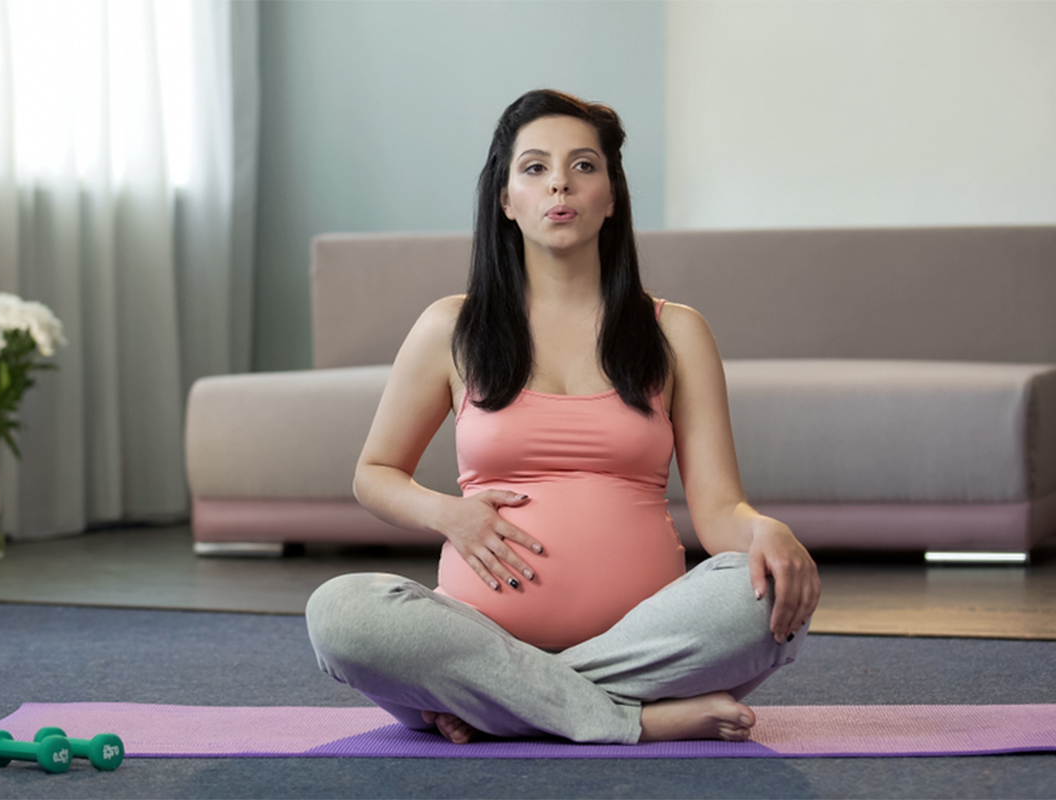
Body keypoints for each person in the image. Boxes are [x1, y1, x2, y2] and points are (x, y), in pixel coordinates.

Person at [305, 89, 821, 745]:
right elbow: (374, 473)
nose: (560, 184)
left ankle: (503, 708)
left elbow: (721, 511)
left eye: (583, 166)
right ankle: (624, 717)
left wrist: (764, 532)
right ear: (506, 200)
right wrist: (448, 513)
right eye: (535, 168)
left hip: (646, 641)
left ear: (611, 195)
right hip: (480, 633)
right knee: (342, 614)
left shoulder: (678, 332)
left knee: (772, 592)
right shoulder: (450, 328)